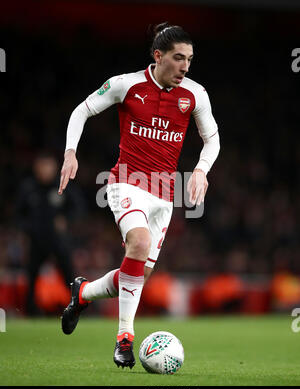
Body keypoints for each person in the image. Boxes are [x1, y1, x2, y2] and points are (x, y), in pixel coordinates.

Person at [59, 22, 220, 369]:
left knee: (137, 273)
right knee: (139, 244)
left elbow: (213, 139)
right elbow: (82, 110)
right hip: (125, 182)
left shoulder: (195, 95)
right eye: (179, 58)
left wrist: (202, 169)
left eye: (190, 60)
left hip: (164, 196)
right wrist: (71, 152)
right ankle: (124, 339)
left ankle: (83, 292)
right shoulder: (126, 85)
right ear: (158, 56)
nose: (185, 67)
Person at [16, 151, 85, 315]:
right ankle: (29, 313)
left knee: (69, 276)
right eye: (42, 166)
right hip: (36, 241)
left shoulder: (63, 185)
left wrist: (66, 220)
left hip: (58, 241)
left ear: (55, 167)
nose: (45, 170)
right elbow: (18, 214)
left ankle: (77, 309)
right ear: (36, 168)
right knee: (31, 277)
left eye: (48, 165)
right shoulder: (28, 188)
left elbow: (79, 208)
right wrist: (28, 228)